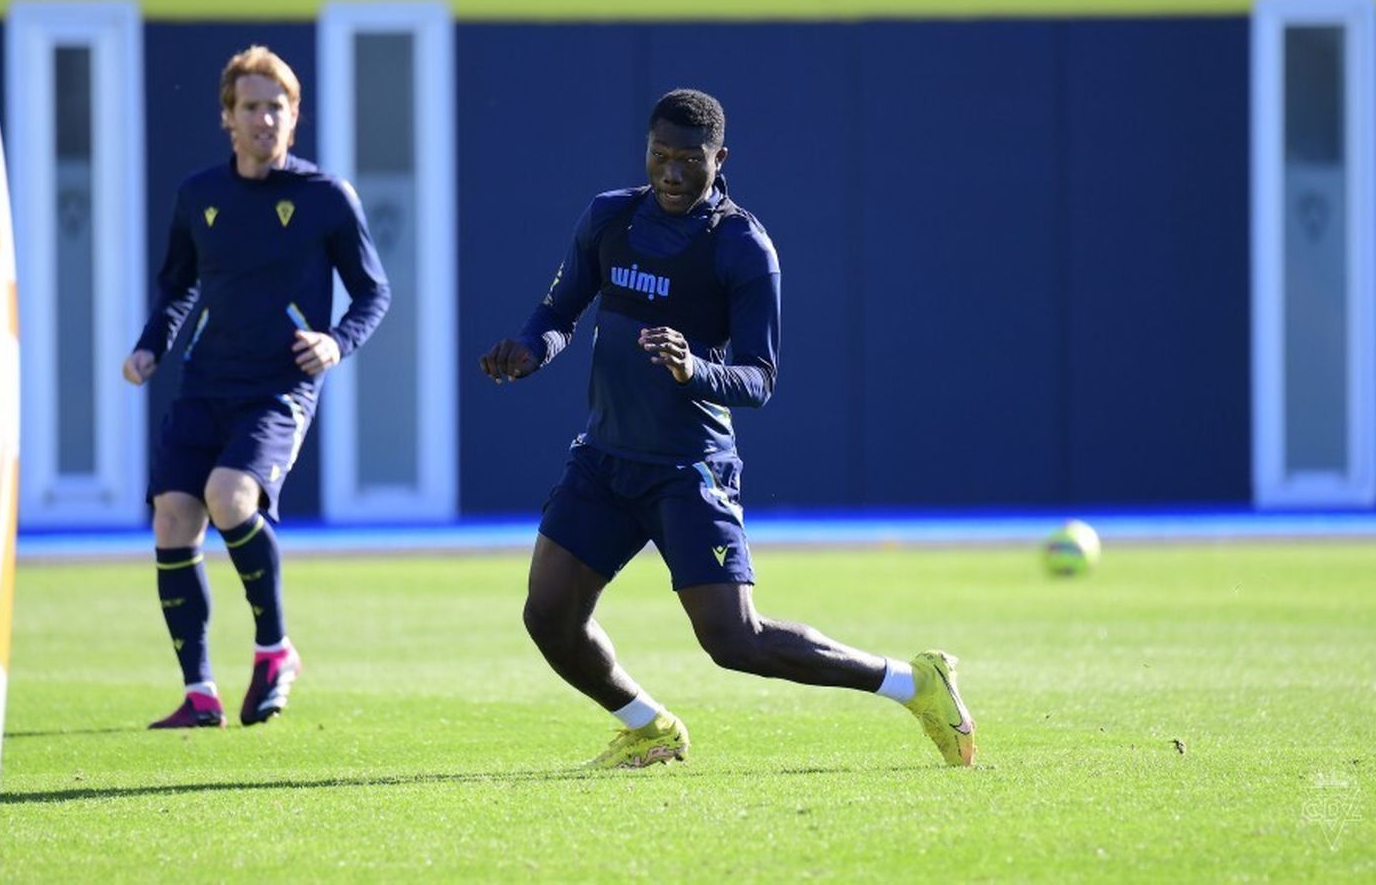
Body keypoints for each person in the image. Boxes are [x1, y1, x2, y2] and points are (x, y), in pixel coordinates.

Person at [480, 88, 975, 768]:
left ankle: (912, 683)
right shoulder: (610, 218)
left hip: (689, 468)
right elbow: (559, 312)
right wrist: (531, 349)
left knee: (734, 642)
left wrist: (694, 372)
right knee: (549, 617)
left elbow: (760, 379)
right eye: (660, 155)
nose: (673, 173)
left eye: (690, 159)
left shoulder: (741, 245)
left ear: (722, 158)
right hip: (603, 459)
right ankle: (647, 727)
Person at [124, 45, 391, 729]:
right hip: (204, 381)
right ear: (227, 117)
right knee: (173, 520)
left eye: (278, 107)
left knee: (229, 497)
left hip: (279, 387)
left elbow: (372, 293)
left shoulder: (326, 198)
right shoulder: (198, 196)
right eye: (252, 107)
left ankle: (274, 650)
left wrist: (336, 341)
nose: (265, 119)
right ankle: (199, 694)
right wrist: (152, 345)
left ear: (294, 118)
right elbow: (178, 286)